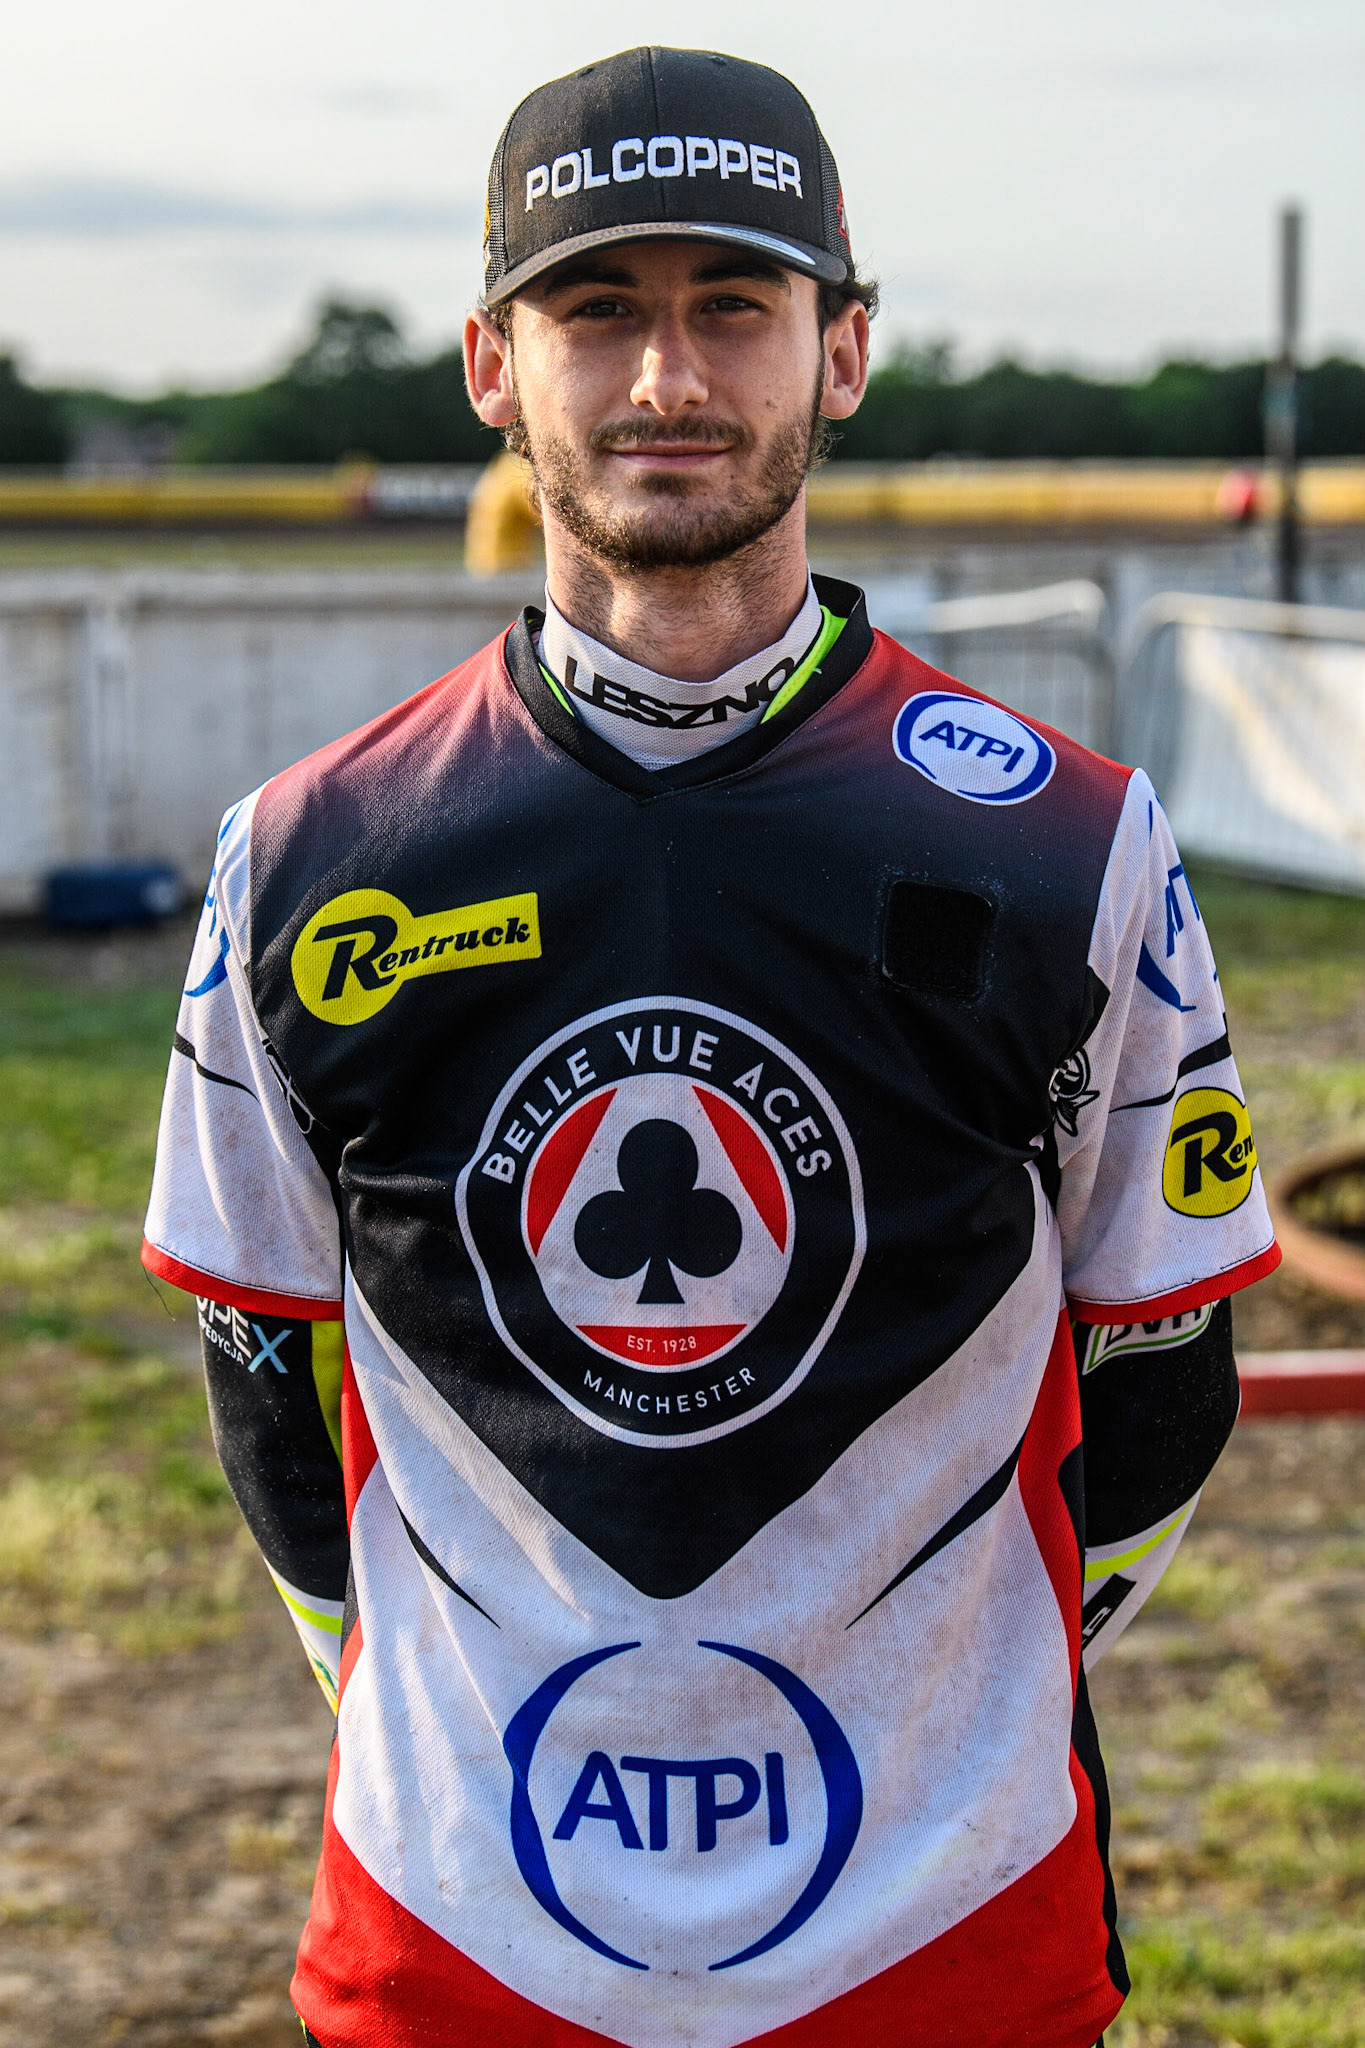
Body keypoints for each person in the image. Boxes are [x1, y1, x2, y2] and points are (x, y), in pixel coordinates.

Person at [142, 45, 1280, 2048]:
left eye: (730, 307)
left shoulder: (1066, 842)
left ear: (840, 352)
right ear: (491, 365)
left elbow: (1167, 1366)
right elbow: (253, 1360)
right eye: (597, 309)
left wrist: (944, 1697)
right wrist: (419, 1694)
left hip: (943, 1937)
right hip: (456, 1944)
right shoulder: (307, 854)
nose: (666, 379)